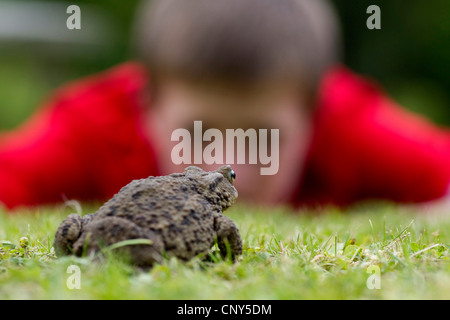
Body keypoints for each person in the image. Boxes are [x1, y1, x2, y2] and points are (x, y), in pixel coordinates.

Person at [1, 0, 449, 211]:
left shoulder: (345, 122)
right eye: (198, 133)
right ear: (146, 102)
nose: (228, 166)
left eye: (264, 138)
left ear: (315, 113)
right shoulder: (94, 122)